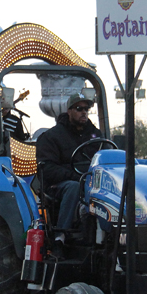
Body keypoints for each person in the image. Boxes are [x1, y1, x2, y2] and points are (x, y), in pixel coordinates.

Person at [36, 93, 102, 232]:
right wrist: (76, 177)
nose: (84, 112)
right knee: (74, 187)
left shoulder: (96, 135)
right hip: (60, 184)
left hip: (91, 181)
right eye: (79, 108)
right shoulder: (52, 136)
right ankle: (62, 234)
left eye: (86, 109)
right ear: (69, 111)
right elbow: (47, 169)